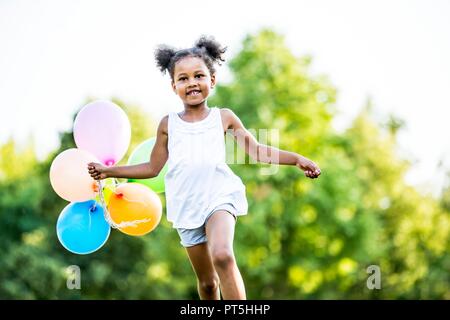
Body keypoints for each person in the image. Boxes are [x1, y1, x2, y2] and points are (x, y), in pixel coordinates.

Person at [87, 35, 321, 300]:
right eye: (183, 79)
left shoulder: (224, 117)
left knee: (223, 255)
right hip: (186, 205)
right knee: (208, 284)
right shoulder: (168, 124)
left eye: (199, 76)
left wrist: (297, 158)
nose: (192, 83)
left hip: (219, 196)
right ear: (173, 86)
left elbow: (258, 150)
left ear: (212, 80)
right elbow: (153, 168)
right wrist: (109, 171)